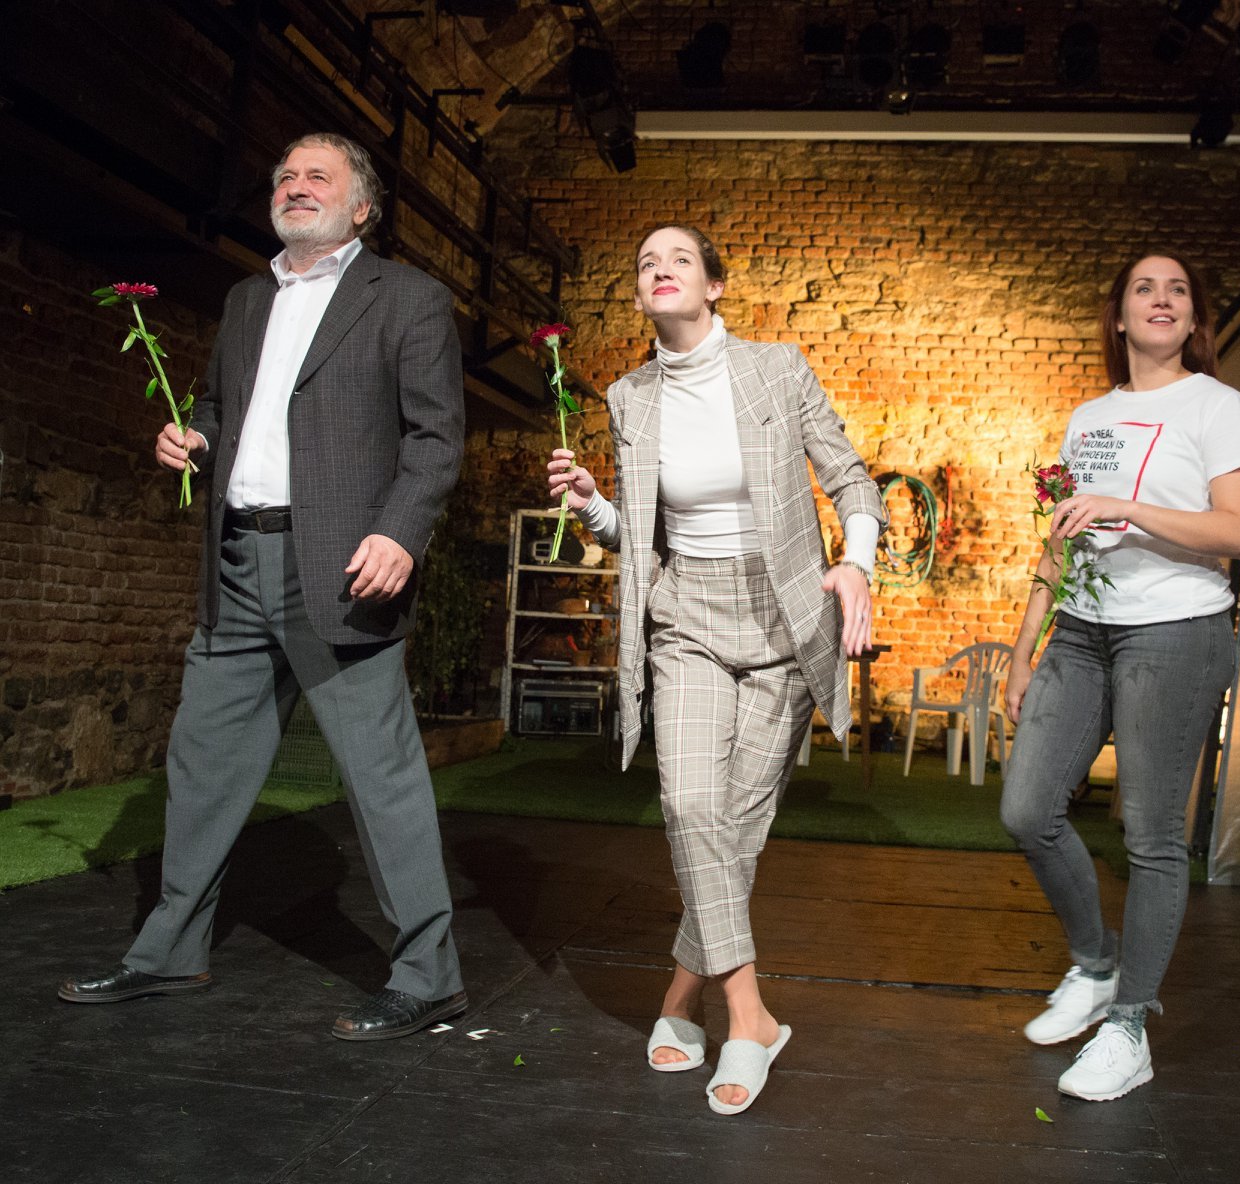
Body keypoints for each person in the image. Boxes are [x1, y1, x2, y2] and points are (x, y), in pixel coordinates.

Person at [59, 133, 469, 1041]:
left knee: (381, 779)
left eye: (318, 175)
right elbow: (218, 407)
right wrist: (195, 438)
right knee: (202, 765)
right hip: (236, 564)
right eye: (284, 175)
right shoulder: (248, 299)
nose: (295, 185)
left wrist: (400, 532)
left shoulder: (407, 298)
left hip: (345, 570)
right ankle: (170, 952)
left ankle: (429, 976)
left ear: (361, 207)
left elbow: (436, 437)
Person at [546, 225, 884, 1115]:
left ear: (715, 285)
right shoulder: (629, 397)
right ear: (639, 294)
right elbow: (641, 533)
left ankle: (677, 996)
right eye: (645, 262)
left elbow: (852, 480)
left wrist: (856, 562)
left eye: (679, 260)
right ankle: (749, 1016)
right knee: (692, 806)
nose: (660, 269)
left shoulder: (776, 369)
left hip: (782, 617)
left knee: (735, 828)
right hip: (686, 613)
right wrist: (594, 506)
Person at [1001, 251, 1240, 1102]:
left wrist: (1130, 509)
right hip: (1082, 632)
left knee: (1152, 838)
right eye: (1144, 288)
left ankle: (1129, 1027)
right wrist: (1024, 645)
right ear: (1118, 316)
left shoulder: (1217, 406)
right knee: (1027, 810)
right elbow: (1062, 537)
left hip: (1176, 631)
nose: (1162, 299)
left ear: (1194, 318)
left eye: (1177, 289)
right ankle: (1095, 965)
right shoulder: (1090, 416)